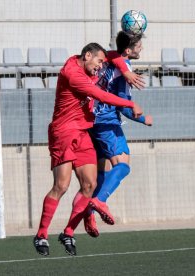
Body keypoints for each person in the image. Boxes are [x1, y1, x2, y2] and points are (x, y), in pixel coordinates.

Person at [33, 42, 144, 256]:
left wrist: (125, 70)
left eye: (102, 62)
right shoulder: (72, 73)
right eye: (98, 62)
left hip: (83, 132)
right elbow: (100, 95)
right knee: (62, 185)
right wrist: (130, 104)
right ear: (87, 56)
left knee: (90, 184)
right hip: (63, 132)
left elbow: (112, 54)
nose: (101, 66)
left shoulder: (89, 62)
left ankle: (68, 232)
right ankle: (41, 234)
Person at [85, 31, 153, 238]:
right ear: (129, 49)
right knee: (123, 165)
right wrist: (144, 120)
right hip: (106, 122)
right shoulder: (125, 70)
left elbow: (113, 54)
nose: (141, 48)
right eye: (138, 45)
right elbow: (124, 107)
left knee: (103, 169)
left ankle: (89, 212)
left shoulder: (107, 59)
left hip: (90, 119)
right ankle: (99, 201)